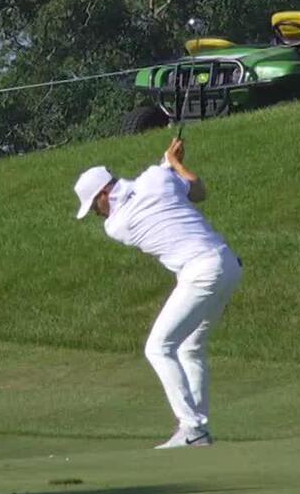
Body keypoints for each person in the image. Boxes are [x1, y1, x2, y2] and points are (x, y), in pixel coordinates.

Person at [73, 136, 243, 448]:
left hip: (201, 272)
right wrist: (174, 164)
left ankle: (192, 428)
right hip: (228, 265)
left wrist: (169, 163)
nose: (97, 214)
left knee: (158, 348)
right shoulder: (155, 179)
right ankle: (197, 430)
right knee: (190, 348)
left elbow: (153, 192)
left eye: (94, 206)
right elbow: (199, 192)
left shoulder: (117, 224)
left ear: (104, 194)